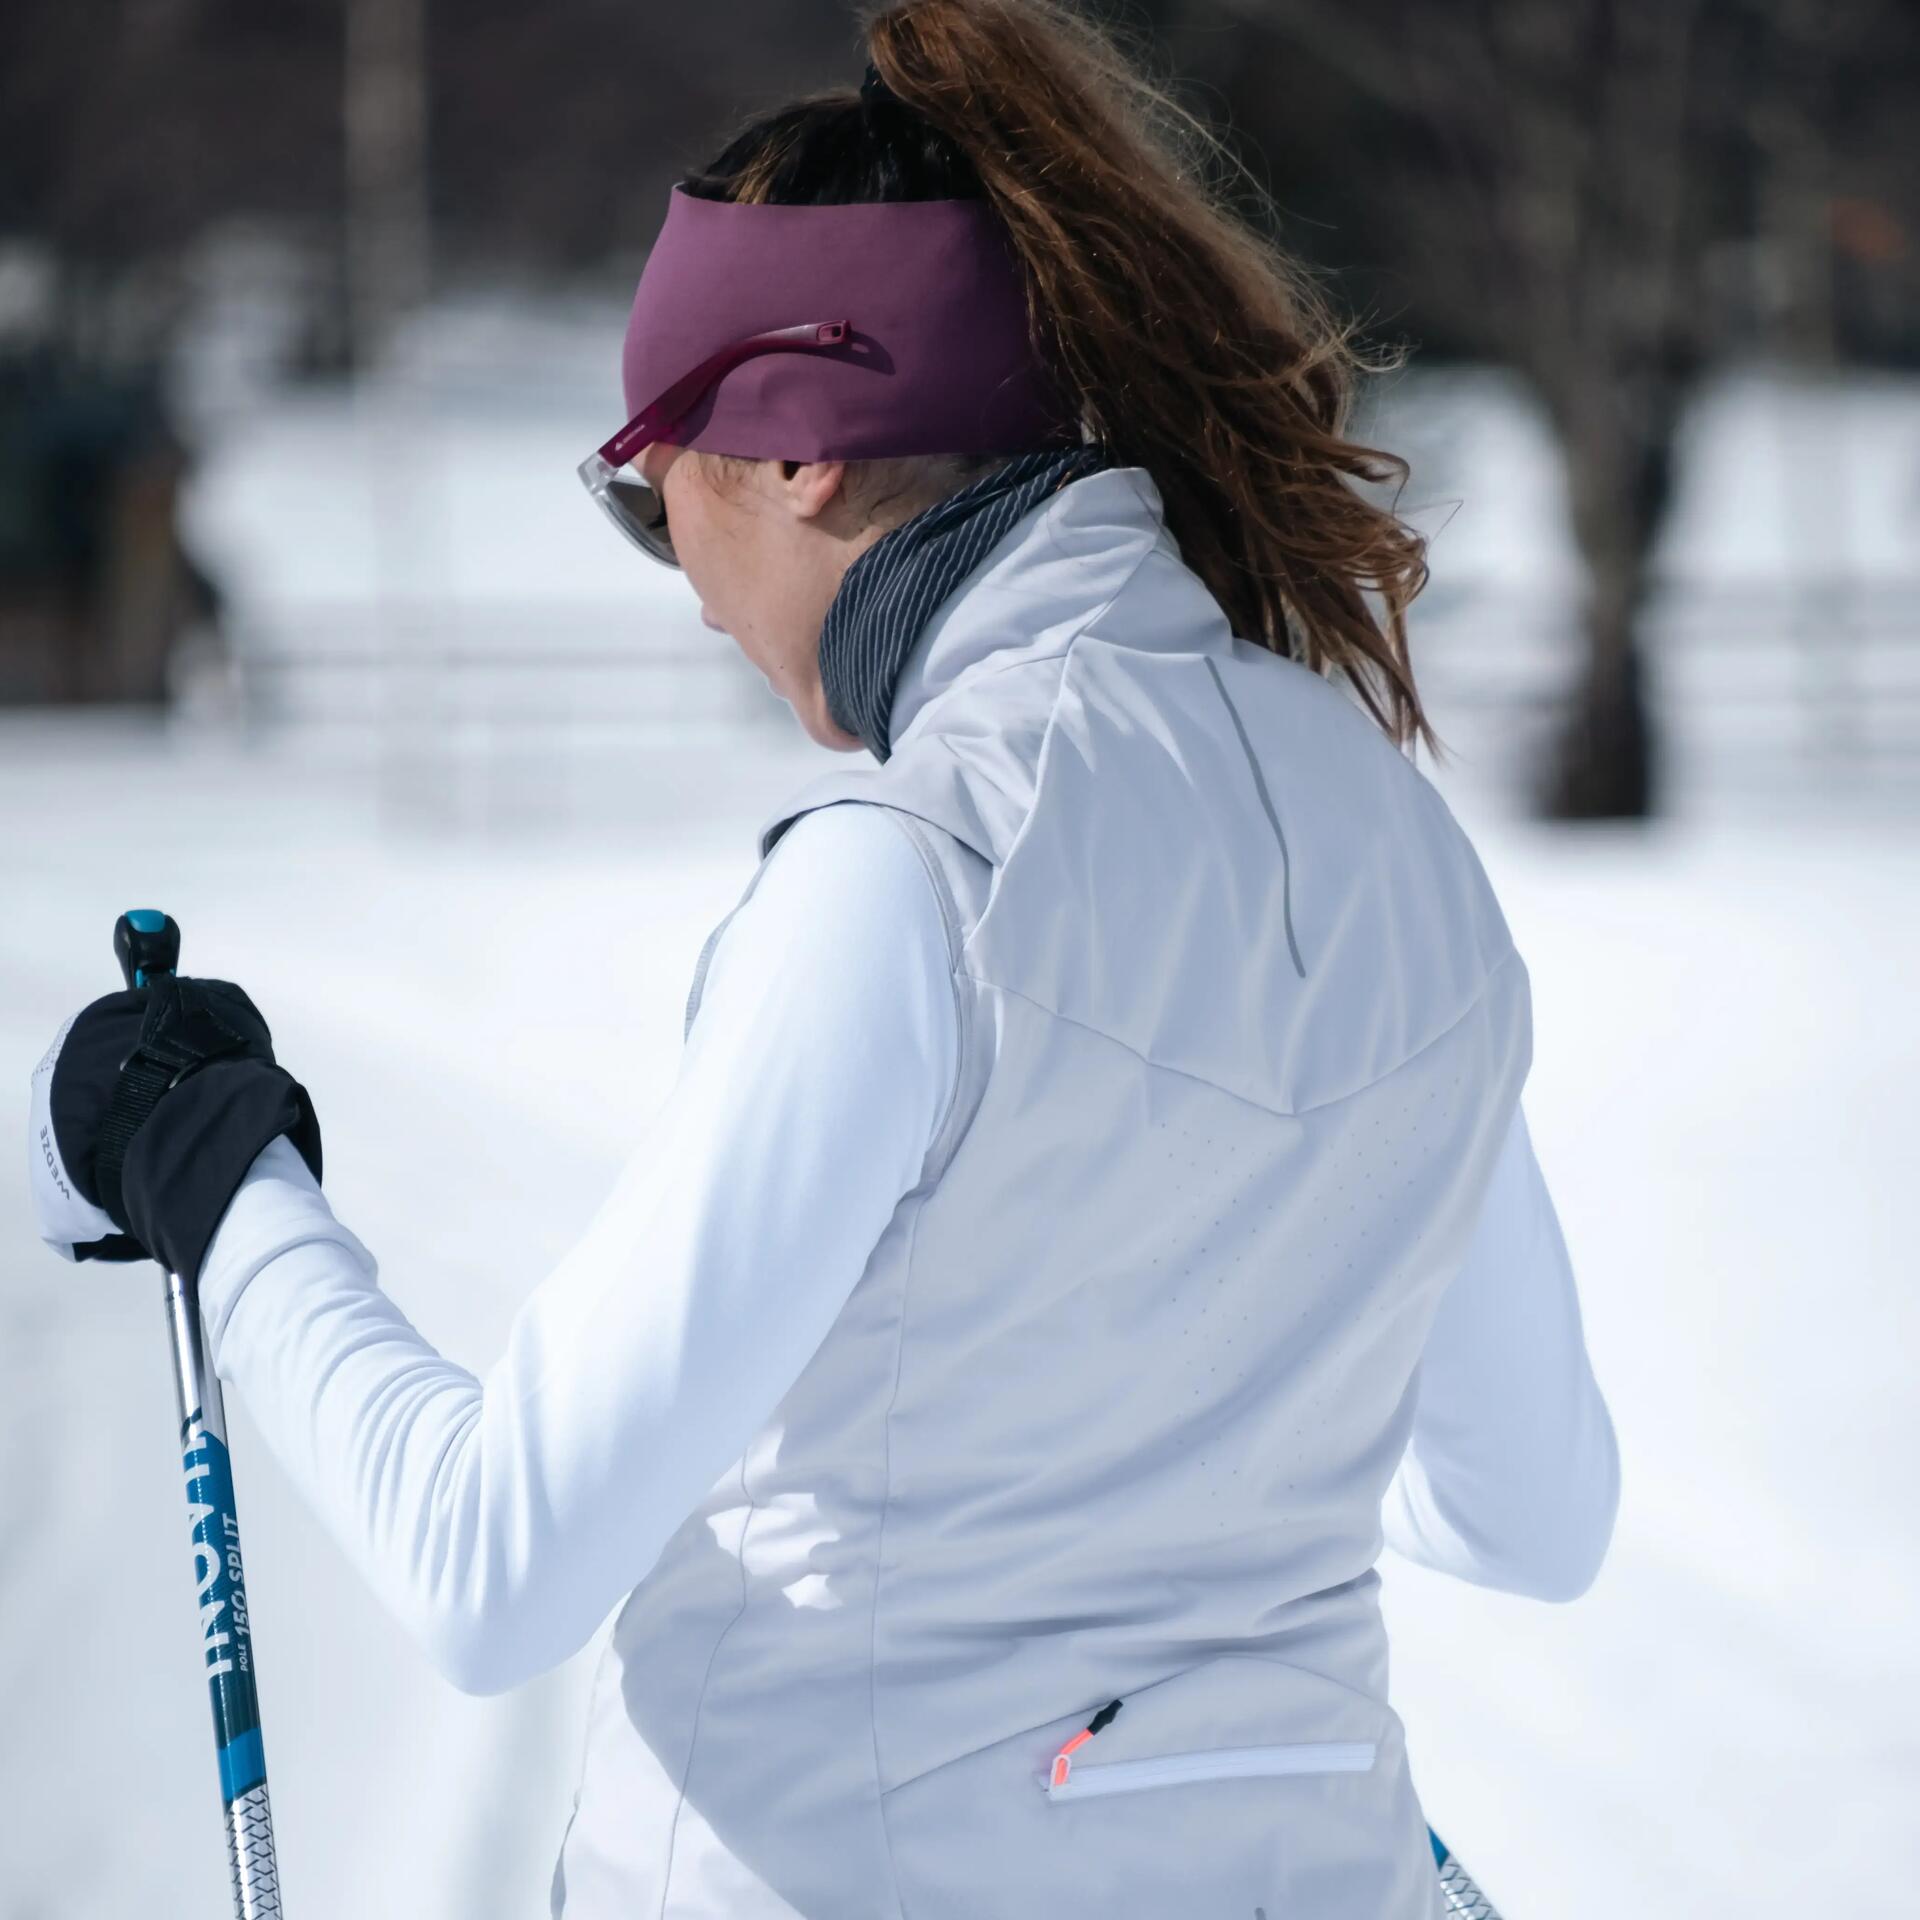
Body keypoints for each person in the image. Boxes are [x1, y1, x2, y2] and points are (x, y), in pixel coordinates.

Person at [28, 2, 1619, 1914]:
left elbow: (496, 1564)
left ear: (791, 449)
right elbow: (1532, 1513)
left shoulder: (911, 876)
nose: (681, 575)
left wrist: (216, 1178)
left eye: (656, 479)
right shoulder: (1404, 851)